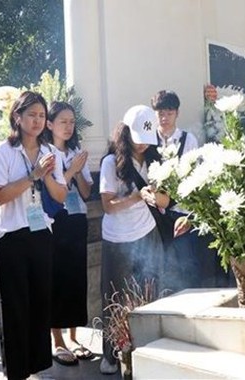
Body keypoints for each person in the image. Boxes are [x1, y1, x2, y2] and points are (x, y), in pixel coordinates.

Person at [0, 91, 67, 380]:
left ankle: (36, 367)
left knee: (39, 302)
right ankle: (16, 372)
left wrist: (45, 175)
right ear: (17, 117)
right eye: (31, 114)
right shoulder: (3, 151)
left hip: (40, 233)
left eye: (41, 115)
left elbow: (60, 196)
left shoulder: (52, 153)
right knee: (14, 307)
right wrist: (32, 175)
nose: (37, 121)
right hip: (10, 236)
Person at [98, 105, 166, 375]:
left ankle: (145, 347)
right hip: (117, 238)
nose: (142, 147)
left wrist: (157, 197)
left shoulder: (154, 159)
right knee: (114, 296)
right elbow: (108, 206)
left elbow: (164, 199)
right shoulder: (110, 162)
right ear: (125, 133)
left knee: (149, 291)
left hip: (147, 232)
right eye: (138, 140)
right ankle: (111, 353)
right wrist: (137, 197)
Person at [42, 101, 94, 366]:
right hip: (56, 220)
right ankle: (57, 339)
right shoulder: (45, 153)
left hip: (77, 219)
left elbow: (85, 192)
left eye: (71, 121)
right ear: (49, 124)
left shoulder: (76, 151)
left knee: (76, 278)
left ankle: (74, 336)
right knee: (57, 278)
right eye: (62, 121)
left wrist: (79, 170)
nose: (68, 126)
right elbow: (52, 188)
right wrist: (70, 169)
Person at [150, 90, 203, 292]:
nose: (164, 118)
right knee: (157, 266)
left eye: (169, 113)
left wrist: (191, 216)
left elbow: (195, 179)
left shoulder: (188, 140)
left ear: (177, 113)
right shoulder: (148, 141)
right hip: (155, 214)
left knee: (187, 265)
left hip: (181, 212)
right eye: (160, 113)